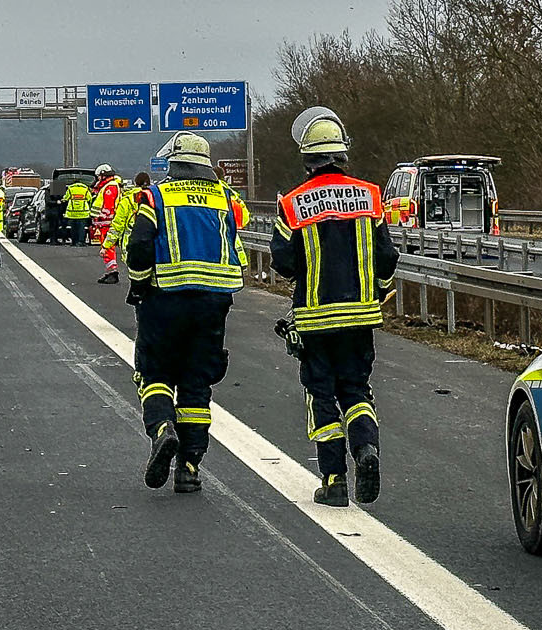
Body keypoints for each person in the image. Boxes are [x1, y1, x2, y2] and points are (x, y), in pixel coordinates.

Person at [269, 107, 399, 508]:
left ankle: (334, 480)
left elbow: (282, 262)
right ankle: (366, 448)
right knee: (357, 390)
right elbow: (387, 257)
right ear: (342, 153)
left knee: (321, 395)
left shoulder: (292, 203)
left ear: (307, 158)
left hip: (314, 318)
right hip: (361, 316)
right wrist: (379, 292)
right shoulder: (370, 195)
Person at [125, 135, 248, 493]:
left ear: (175, 164)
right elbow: (233, 244)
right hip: (212, 304)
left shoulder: (156, 197)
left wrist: (138, 284)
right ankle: (190, 468)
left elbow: (140, 244)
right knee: (196, 384)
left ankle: (163, 428)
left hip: (164, 299)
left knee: (155, 372)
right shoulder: (225, 198)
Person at [93, 165, 122, 273]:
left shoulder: (110, 187)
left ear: (103, 175)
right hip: (104, 222)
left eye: (99, 176)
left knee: (108, 247)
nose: (98, 178)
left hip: (106, 223)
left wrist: (102, 219)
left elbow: (108, 206)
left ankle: (112, 272)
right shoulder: (107, 186)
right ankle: (111, 271)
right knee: (107, 247)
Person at [63, 176, 94, 244]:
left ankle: (74, 241)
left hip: (72, 212)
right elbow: (89, 198)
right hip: (83, 212)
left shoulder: (70, 189)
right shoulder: (85, 189)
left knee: (73, 228)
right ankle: (81, 241)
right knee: (81, 228)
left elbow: (66, 198)